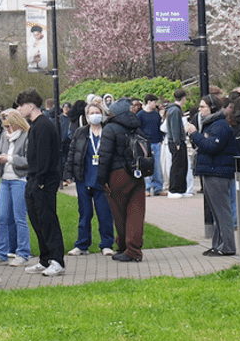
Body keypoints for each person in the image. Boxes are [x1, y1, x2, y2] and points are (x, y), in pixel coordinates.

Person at [19, 90, 67, 276]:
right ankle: (45, 258)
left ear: (31, 105)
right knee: (37, 221)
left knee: (48, 220)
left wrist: (39, 180)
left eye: (21, 105)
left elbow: (46, 158)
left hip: (43, 181)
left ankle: (57, 260)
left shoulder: (44, 126)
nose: (19, 109)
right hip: (34, 179)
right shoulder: (35, 126)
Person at [101, 98, 152, 263]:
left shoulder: (110, 128)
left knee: (120, 213)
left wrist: (102, 180)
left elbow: (104, 156)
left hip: (117, 175)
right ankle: (135, 250)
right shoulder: (137, 127)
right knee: (136, 213)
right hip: (137, 174)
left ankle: (123, 247)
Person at [189, 95, 240, 257]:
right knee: (217, 211)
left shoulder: (220, 125)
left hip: (217, 172)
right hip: (212, 170)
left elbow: (211, 146)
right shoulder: (212, 124)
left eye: (202, 107)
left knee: (222, 210)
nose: (200, 110)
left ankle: (228, 246)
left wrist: (194, 133)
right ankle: (218, 244)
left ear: (212, 107)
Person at [67, 97, 117, 257]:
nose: (94, 115)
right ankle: (82, 244)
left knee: (105, 214)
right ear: (87, 116)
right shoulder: (80, 133)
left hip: (102, 180)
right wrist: (67, 173)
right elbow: (72, 153)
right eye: (91, 113)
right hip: (84, 179)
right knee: (85, 214)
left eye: (97, 112)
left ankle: (107, 244)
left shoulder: (108, 132)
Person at [0, 108, 32, 267]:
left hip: (19, 180)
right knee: (1, 217)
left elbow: (28, 160)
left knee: (19, 218)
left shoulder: (26, 135)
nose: (6, 129)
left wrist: (9, 158)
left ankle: (23, 252)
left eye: (9, 126)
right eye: (5, 126)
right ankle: (1, 253)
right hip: (5, 180)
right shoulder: (4, 136)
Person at [138, 96, 166, 197]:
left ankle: (158, 188)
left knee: (157, 166)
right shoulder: (140, 115)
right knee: (146, 166)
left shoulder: (156, 114)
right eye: (154, 102)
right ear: (149, 102)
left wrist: (160, 139)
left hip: (156, 143)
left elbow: (159, 127)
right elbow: (138, 129)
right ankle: (147, 188)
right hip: (145, 143)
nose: (156, 104)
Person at [164, 89, 191, 197]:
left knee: (180, 165)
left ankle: (180, 189)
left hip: (174, 141)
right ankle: (175, 189)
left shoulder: (172, 109)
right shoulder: (175, 110)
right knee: (178, 166)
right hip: (177, 141)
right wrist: (177, 142)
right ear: (183, 98)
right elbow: (175, 127)